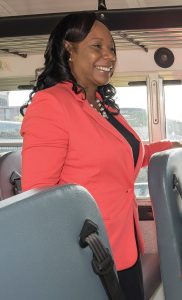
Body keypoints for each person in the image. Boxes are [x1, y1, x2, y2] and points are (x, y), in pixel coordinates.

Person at [20, 12, 181, 300]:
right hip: (88, 256)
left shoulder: (105, 106)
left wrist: (174, 144)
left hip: (124, 243)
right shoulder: (51, 104)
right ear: (69, 49)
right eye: (97, 46)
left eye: (112, 48)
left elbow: (128, 155)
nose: (108, 55)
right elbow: (38, 201)